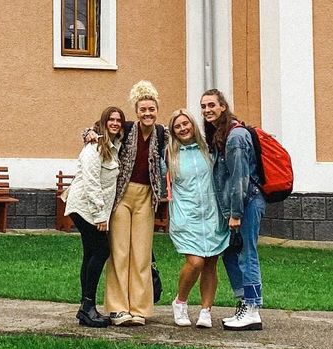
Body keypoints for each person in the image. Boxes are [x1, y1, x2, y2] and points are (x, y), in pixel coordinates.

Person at [103, 80, 167, 326]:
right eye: (143, 109)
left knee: (141, 254)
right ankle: (118, 308)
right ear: (136, 110)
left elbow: (185, 138)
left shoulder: (162, 133)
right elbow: (99, 131)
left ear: (156, 110)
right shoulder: (126, 129)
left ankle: (140, 308)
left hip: (147, 198)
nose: (147, 113)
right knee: (120, 252)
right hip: (122, 197)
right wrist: (87, 134)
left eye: (151, 109)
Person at [200, 88, 265, 331]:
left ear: (223, 107)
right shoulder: (222, 134)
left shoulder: (236, 137)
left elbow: (240, 179)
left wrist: (236, 214)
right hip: (238, 206)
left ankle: (252, 308)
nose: (207, 110)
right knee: (230, 253)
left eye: (211, 105)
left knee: (247, 254)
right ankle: (243, 302)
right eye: (204, 106)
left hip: (247, 203)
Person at [164, 108, 228, 328]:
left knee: (210, 262)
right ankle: (180, 302)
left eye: (186, 124)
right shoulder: (170, 154)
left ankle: (206, 311)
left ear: (192, 124)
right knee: (195, 262)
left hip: (212, 215)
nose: (183, 129)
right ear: (173, 131)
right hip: (187, 216)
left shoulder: (208, 149)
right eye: (178, 126)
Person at [64, 105, 125, 327]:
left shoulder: (114, 146)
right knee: (101, 250)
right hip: (84, 207)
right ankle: (87, 306)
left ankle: (86, 307)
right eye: (111, 119)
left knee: (91, 252)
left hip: (92, 209)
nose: (115, 123)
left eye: (119, 120)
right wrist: (100, 215)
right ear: (104, 121)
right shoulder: (95, 147)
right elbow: (91, 182)